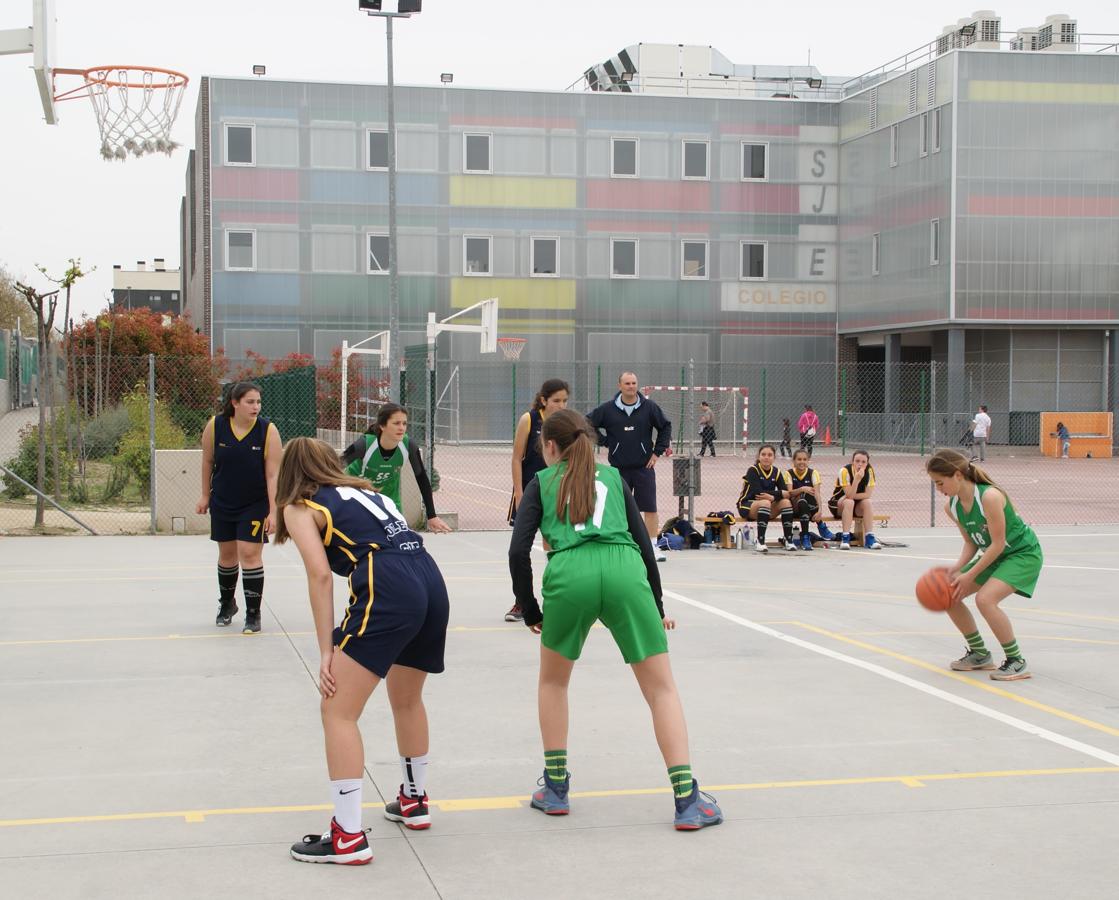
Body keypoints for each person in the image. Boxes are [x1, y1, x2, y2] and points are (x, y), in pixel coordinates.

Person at [508, 409, 723, 830]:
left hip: (570, 572)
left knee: (553, 682)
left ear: (550, 447)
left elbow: (518, 551)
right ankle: (686, 799)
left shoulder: (541, 482)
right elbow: (646, 546)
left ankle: (555, 789)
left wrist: (529, 608)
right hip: (625, 569)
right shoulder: (613, 478)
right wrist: (656, 606)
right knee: (661, 689)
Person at [277, 437, 450, 864]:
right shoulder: (367, 490)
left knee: (337, 709)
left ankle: (348, 836)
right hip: (428, 575)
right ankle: (414, 800)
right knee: (407, 698)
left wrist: (325, 651)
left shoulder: (301, 505)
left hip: (388, 582)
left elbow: (319, 576)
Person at [926, 448, 1042, 681]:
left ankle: (1016, 660)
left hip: (1021, 553)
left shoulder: (990, 496)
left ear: (958, 475)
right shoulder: (953, 507)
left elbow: (998, 544)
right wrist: (957, 568)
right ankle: (979, 654)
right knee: (948, 593)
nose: (939, 490)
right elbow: (971, 542)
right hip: (995, 554)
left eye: (940, 483)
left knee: (985, 599)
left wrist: (969, 575)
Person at [196, 381, 282, 633]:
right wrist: (204, 495)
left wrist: (273, 511)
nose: (256, 407)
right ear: (235, 403)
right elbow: (207, 462)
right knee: (227, 555)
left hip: (254, 504)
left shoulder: (268, 431)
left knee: (249, 553)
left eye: (258, 402)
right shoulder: (216, 426)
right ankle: (226, 604)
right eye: (250, 402)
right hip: (223, 500)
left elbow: (273, 474)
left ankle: (253, 614)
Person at [587, 371, 672, 561]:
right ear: (619, 386)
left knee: (650, 508)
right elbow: (586, 422)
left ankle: (652, 547)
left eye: (634, 383)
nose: (631, 386)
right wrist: (604, 441)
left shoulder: (649, 407)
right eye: (627, 383)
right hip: (618, 469)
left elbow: (665, 426)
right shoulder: (608, 409)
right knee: (619, 509)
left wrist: (657, 452)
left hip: (644, 468)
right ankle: (623, 545)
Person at [505, 378, 570, 622]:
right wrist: (519, 492)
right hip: (531, 492)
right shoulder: (529, 419)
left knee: (555, 547)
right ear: (543, 400)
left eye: (565, 400)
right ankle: (521, 602)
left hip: (557, 492)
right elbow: (516, 458)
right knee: (520, 549)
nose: (561, 405)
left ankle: (560, 596)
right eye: (556, 400)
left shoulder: (565, 423)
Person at [340, 403, 451, 535]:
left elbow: (422, 479)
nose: (401, 428)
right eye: (396, 423)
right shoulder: (365, 444)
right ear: (382, 426)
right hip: (360, 498)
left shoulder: (408, 445)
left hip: (389, 500)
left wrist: (432, 516)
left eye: (404, 423)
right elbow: (335, 467)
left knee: (399, 541)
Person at [736, 443, 796, 552]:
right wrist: (777, 495)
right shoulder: (753, 470)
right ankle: (760, 541)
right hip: (747, 505)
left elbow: (785, 493)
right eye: (763, 454)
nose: (766, 457)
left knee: (786, 502)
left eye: (769, 455)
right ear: (759, 457)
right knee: (765, 502)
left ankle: (789, 540)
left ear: (774, 457)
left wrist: (773, 497)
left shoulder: (776, 471)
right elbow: (758, 493)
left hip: (766, 508)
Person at [783, 448, 836, 550]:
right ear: (794, 461)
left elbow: (817, 494)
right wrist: (802, 489)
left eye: (804, 459)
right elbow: (789, 494)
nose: (802, 462)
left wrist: (820, 511)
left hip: (809, 509)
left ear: (808, 461)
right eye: (799, 459)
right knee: (803, 497)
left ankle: (806, 537)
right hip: (794, 509)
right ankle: (820, 526)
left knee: (810, 495)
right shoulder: (788, 473)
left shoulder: (813, 473)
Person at [828, 450, 881, 550]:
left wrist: (850, 496)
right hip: (838, 504)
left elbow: (868, 494)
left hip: (855, 503)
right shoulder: (844, 471)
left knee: (867, 502)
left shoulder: (869, 471)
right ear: (852, 461)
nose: (860, 464)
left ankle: (869, 538)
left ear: (867, 463)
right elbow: (850, 496)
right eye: (857, 461)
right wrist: (856, 480)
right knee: (849, 502)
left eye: (863, 462)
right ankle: (845, 538)